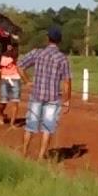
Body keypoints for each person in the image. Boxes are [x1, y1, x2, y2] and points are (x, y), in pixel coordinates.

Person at [18, 27, 72, 160]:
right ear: (59, 41)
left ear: (48, 39)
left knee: (30, 126)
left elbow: (19, 66)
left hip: (36, 95)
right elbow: (67, 81)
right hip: (53, 98)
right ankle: (41, 157)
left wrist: (27, 81)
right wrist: (67, 100)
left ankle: (24, 153)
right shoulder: (62, 58)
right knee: (47, 128)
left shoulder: (37, 53)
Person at [0, 44, 26, 126]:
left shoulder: (15, 55)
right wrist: (1, 80)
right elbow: (0, 69)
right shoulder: (2, 56)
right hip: (5, 79)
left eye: (10, 46)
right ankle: (0, 113)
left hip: (15, 78)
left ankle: (12, 123)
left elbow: (17, 62)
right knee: (3, 101)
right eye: (8, 45)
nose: (9, 47)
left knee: (15, 102)